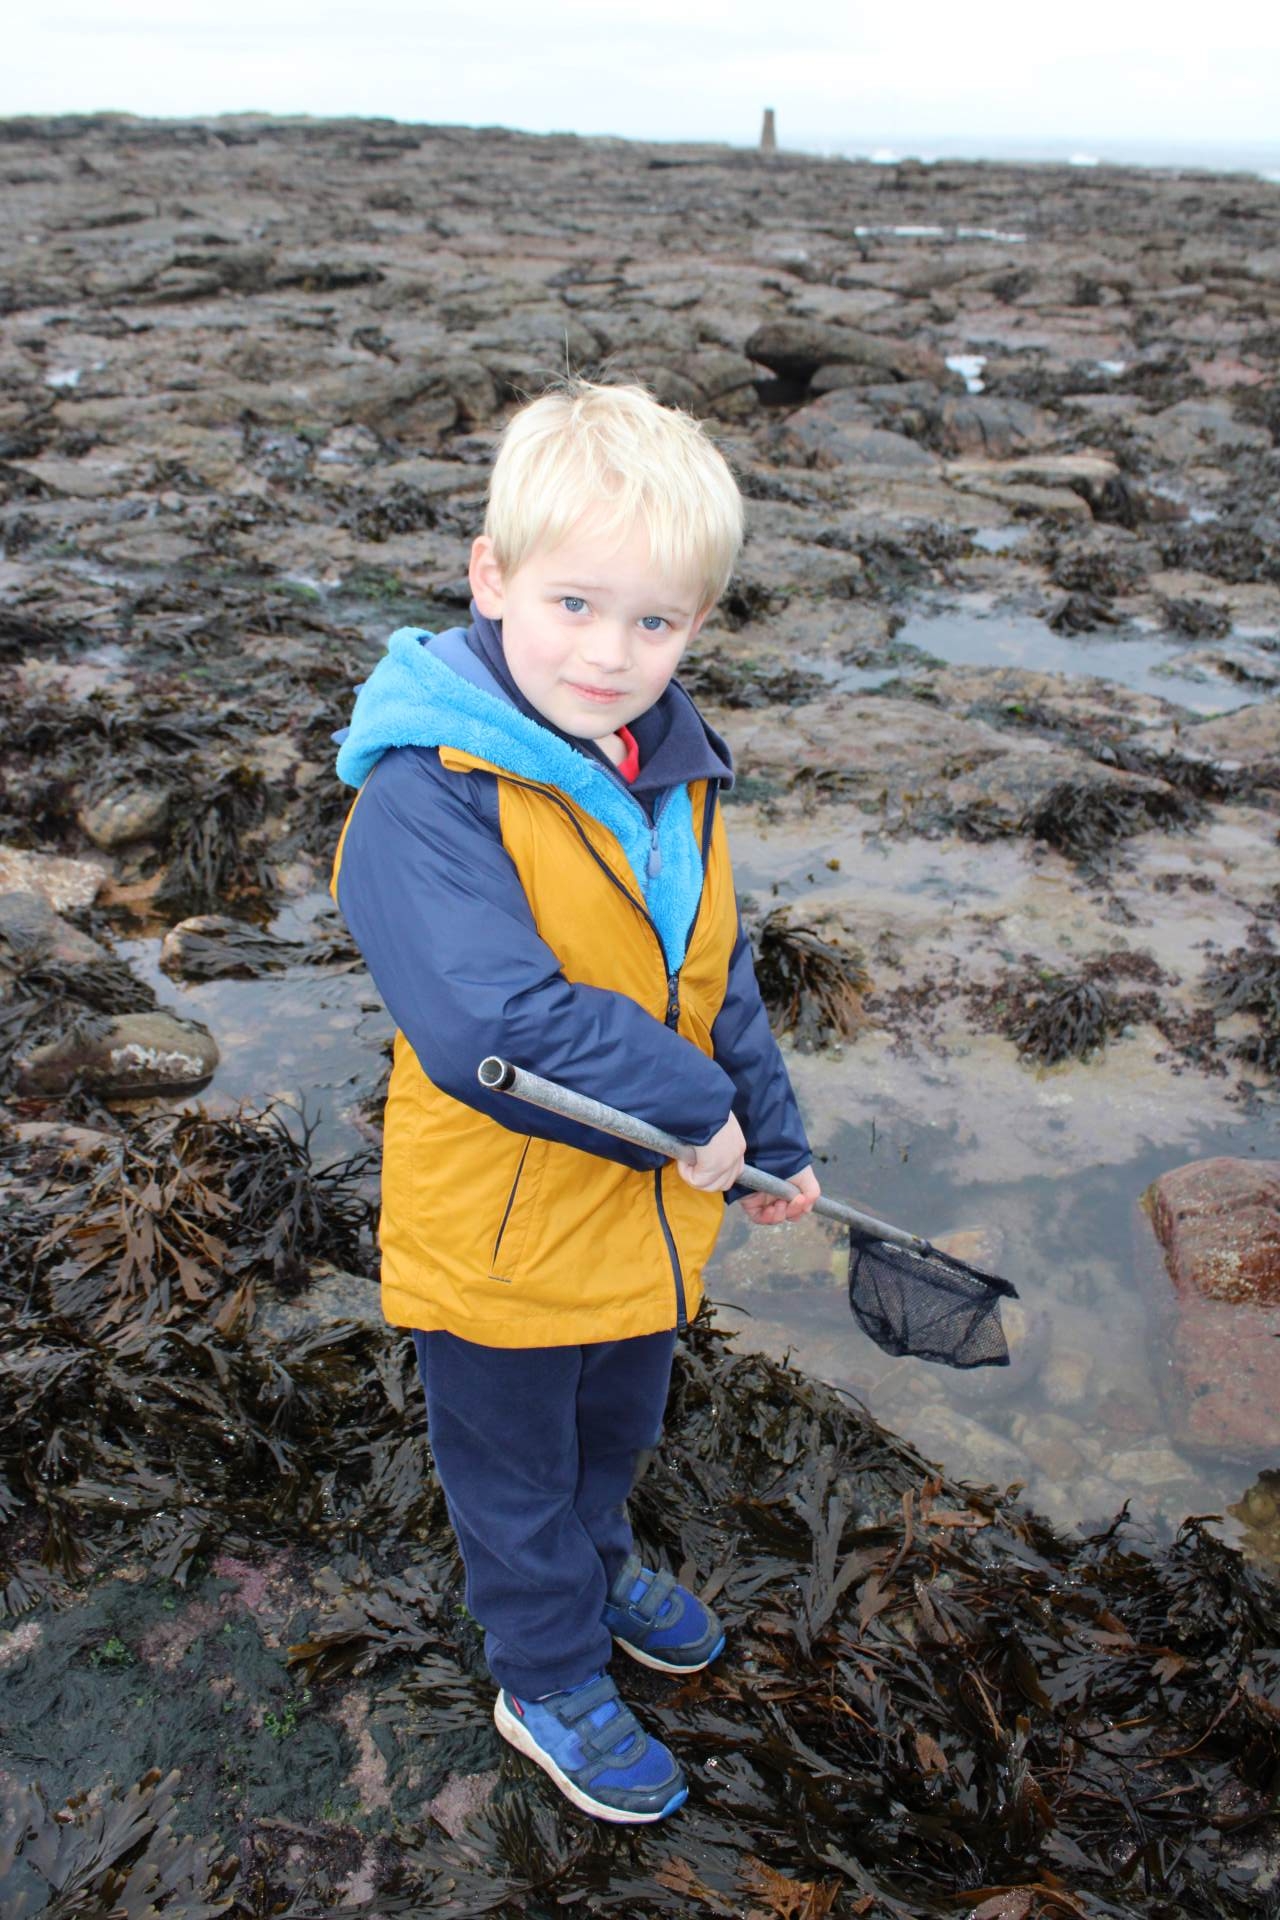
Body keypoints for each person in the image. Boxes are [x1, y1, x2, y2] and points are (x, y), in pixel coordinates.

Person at [331, 377, 821, 1825]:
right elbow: (492, 1024)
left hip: (639, 1214)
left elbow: (714, 975)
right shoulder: (425, 795)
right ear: (491, 577)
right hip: (500, 1236)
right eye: (575, 605)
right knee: (513, 1469)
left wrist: (769, 1136)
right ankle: (544, 1672)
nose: (611, 654)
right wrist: (696, 1113)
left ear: (698, 622)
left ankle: (601, 1568)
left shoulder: (672, 773)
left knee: (614, 1431)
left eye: (655, 622)